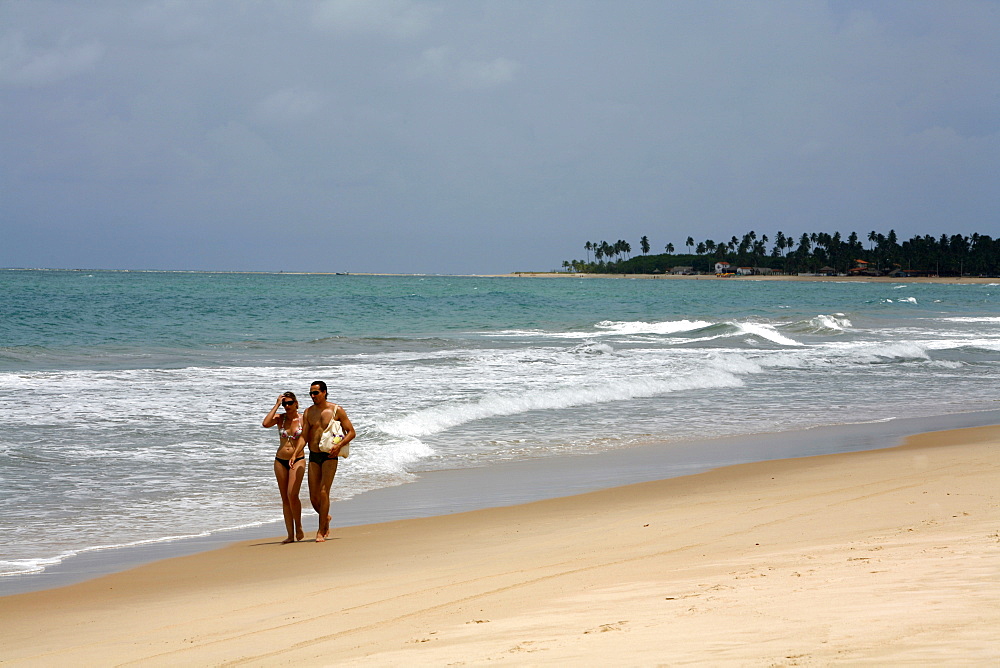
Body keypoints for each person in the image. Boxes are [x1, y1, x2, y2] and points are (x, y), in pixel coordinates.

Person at [303, 380, 356, 542]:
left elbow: (351, 432)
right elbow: (304, 437)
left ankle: (321, 531)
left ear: (324, 392)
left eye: (316, 393)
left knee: (324, 492)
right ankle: (325, 517)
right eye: (311, 393)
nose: (313, 396)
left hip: (329, 455)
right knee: (313, 497)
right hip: (313, 454)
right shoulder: (308, 412)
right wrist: (295, 454)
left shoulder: (336, 410)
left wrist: (339, 445)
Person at [262, 391, 306, 544]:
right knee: (285, 498)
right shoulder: (280, 418)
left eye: (289, 403)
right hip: (280, 460)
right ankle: (290, 534)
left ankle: (299, 526)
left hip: (298, 459)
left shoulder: (303, 419)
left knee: (292, 494)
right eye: (284, 404)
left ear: (296, 403)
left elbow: (308, 437)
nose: (287, 406)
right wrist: (276, 405)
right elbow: (265, 423)